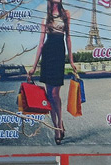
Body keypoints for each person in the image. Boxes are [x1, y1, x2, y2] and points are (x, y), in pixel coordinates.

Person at [29, 0, 79, 144]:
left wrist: (71, 60)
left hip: (58, 53)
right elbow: (41, 43)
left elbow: (68, 37)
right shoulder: (46, 18)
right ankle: (56, 128)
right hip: (47, 55)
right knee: (49, 95)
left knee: (55, 93)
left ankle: (60, 122)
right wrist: (34, 66)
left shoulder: (66, 14)